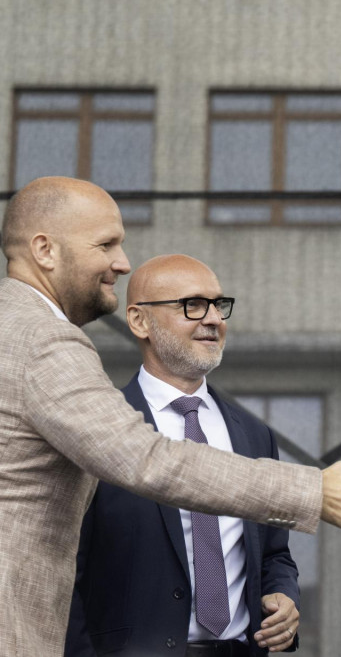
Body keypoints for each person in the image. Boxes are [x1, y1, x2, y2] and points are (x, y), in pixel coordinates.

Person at [0, 177, 341, 657]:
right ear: (44, 249)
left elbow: (272, 555)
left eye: (217, 305)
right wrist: (311, 490)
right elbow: (145, 458)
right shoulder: (43, 340)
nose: (121, 263)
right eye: (105, 244)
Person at [65, 255, 303, 656]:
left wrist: (284, 597)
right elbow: (68, 569)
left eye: (218, 305)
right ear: (140, 321)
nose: (213, 319)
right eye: (192, 305)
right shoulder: (97, 428)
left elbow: (275, 553)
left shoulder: (253, 435)